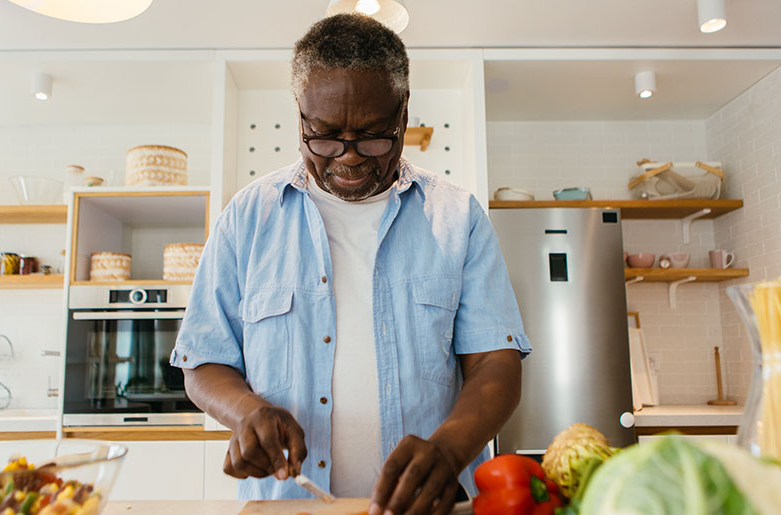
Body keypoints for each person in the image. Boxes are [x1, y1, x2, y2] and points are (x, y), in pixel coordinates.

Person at [171, 13, 530, 515]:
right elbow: (204, 360)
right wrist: (248, 411)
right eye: (324, 136)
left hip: (426, 508)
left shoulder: (456, 216)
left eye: (374, 135)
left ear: (404, 113)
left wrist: (448, 450)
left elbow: (496, 361)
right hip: (287, 506)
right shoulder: (247, 218)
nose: (349, 157)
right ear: (300, 117)